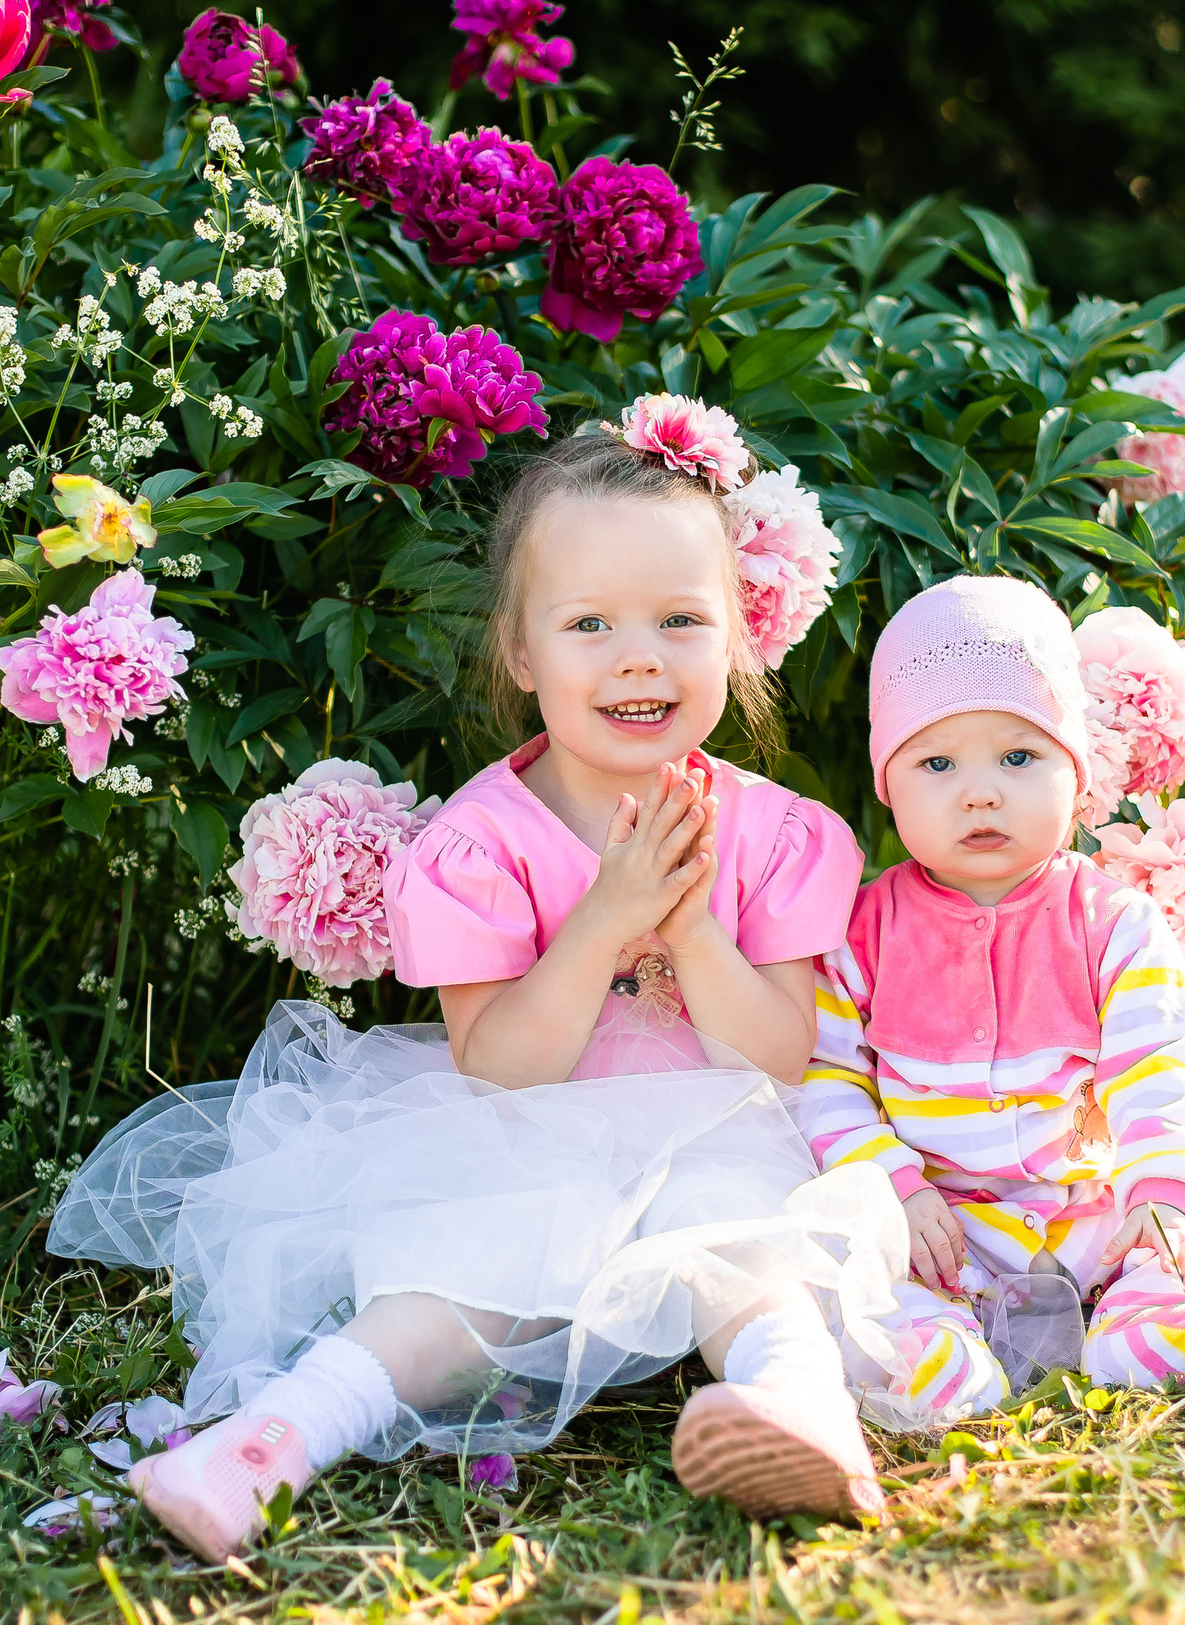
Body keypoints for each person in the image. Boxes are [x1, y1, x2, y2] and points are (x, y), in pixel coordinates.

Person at [50, 403, 902, 1563]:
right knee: (445, 1300)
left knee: (743, 1256)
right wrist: (603, 922)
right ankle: (267, 1444)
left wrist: (693, 933)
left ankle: (799, 1410)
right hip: (521, 1135)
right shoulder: (478, 845)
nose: (638, 655)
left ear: (739, 640)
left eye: (680, 620)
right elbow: (498, 1066)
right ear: (521, 651)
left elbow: (776, 1058)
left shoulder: (772, 834)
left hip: (710, 1134)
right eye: (589, 622)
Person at [797, 575, 1185, 1422]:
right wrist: (893, 1184)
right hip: (941, 1229)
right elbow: (826, 1076)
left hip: (1092, 1214)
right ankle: (942, 1355)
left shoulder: (1111, 922)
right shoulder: (863, 933)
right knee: (823, 1251)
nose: (981, 791)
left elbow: (1162, 1065)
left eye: (1018, 756)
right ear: (889, 782)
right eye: (937, 762)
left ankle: (1142, 1322)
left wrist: (1160, 1198)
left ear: (1075, 772)